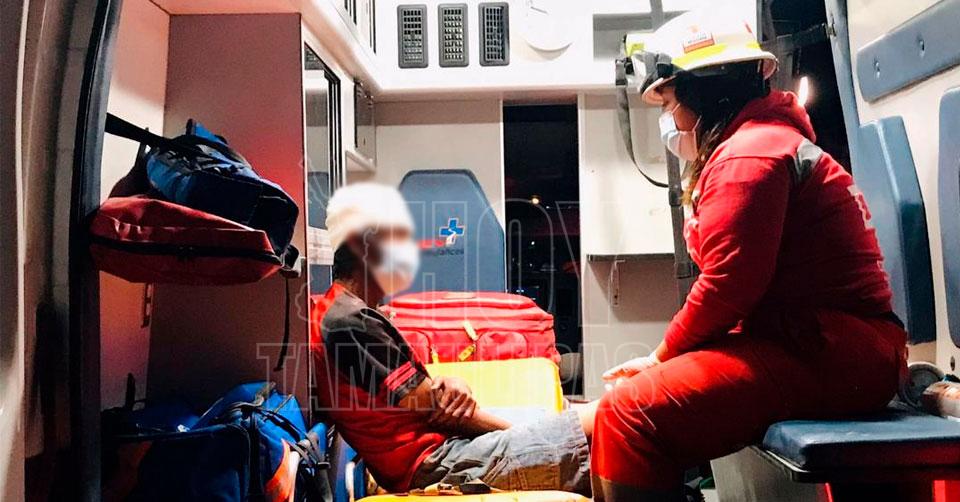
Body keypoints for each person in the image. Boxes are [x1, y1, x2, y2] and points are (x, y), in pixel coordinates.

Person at [591, 9, 908, 501]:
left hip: (832, 351)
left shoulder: (749, 155)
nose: (669, 120)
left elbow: (729, 284)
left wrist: (661, 356)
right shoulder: (760, 145)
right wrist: (668, 359)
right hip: (820, 344)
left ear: (704, 92)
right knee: (620, 407)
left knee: (630, 416)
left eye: (670, 102)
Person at [309, 182, 594, 495]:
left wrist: (445, 382)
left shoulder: (341, 309)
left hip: (440, 448)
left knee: (574, 415)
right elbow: (440, 413)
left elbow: (417, 398)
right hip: (437, 462)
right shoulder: (350, 322)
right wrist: (525, 435)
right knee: (603, 420)